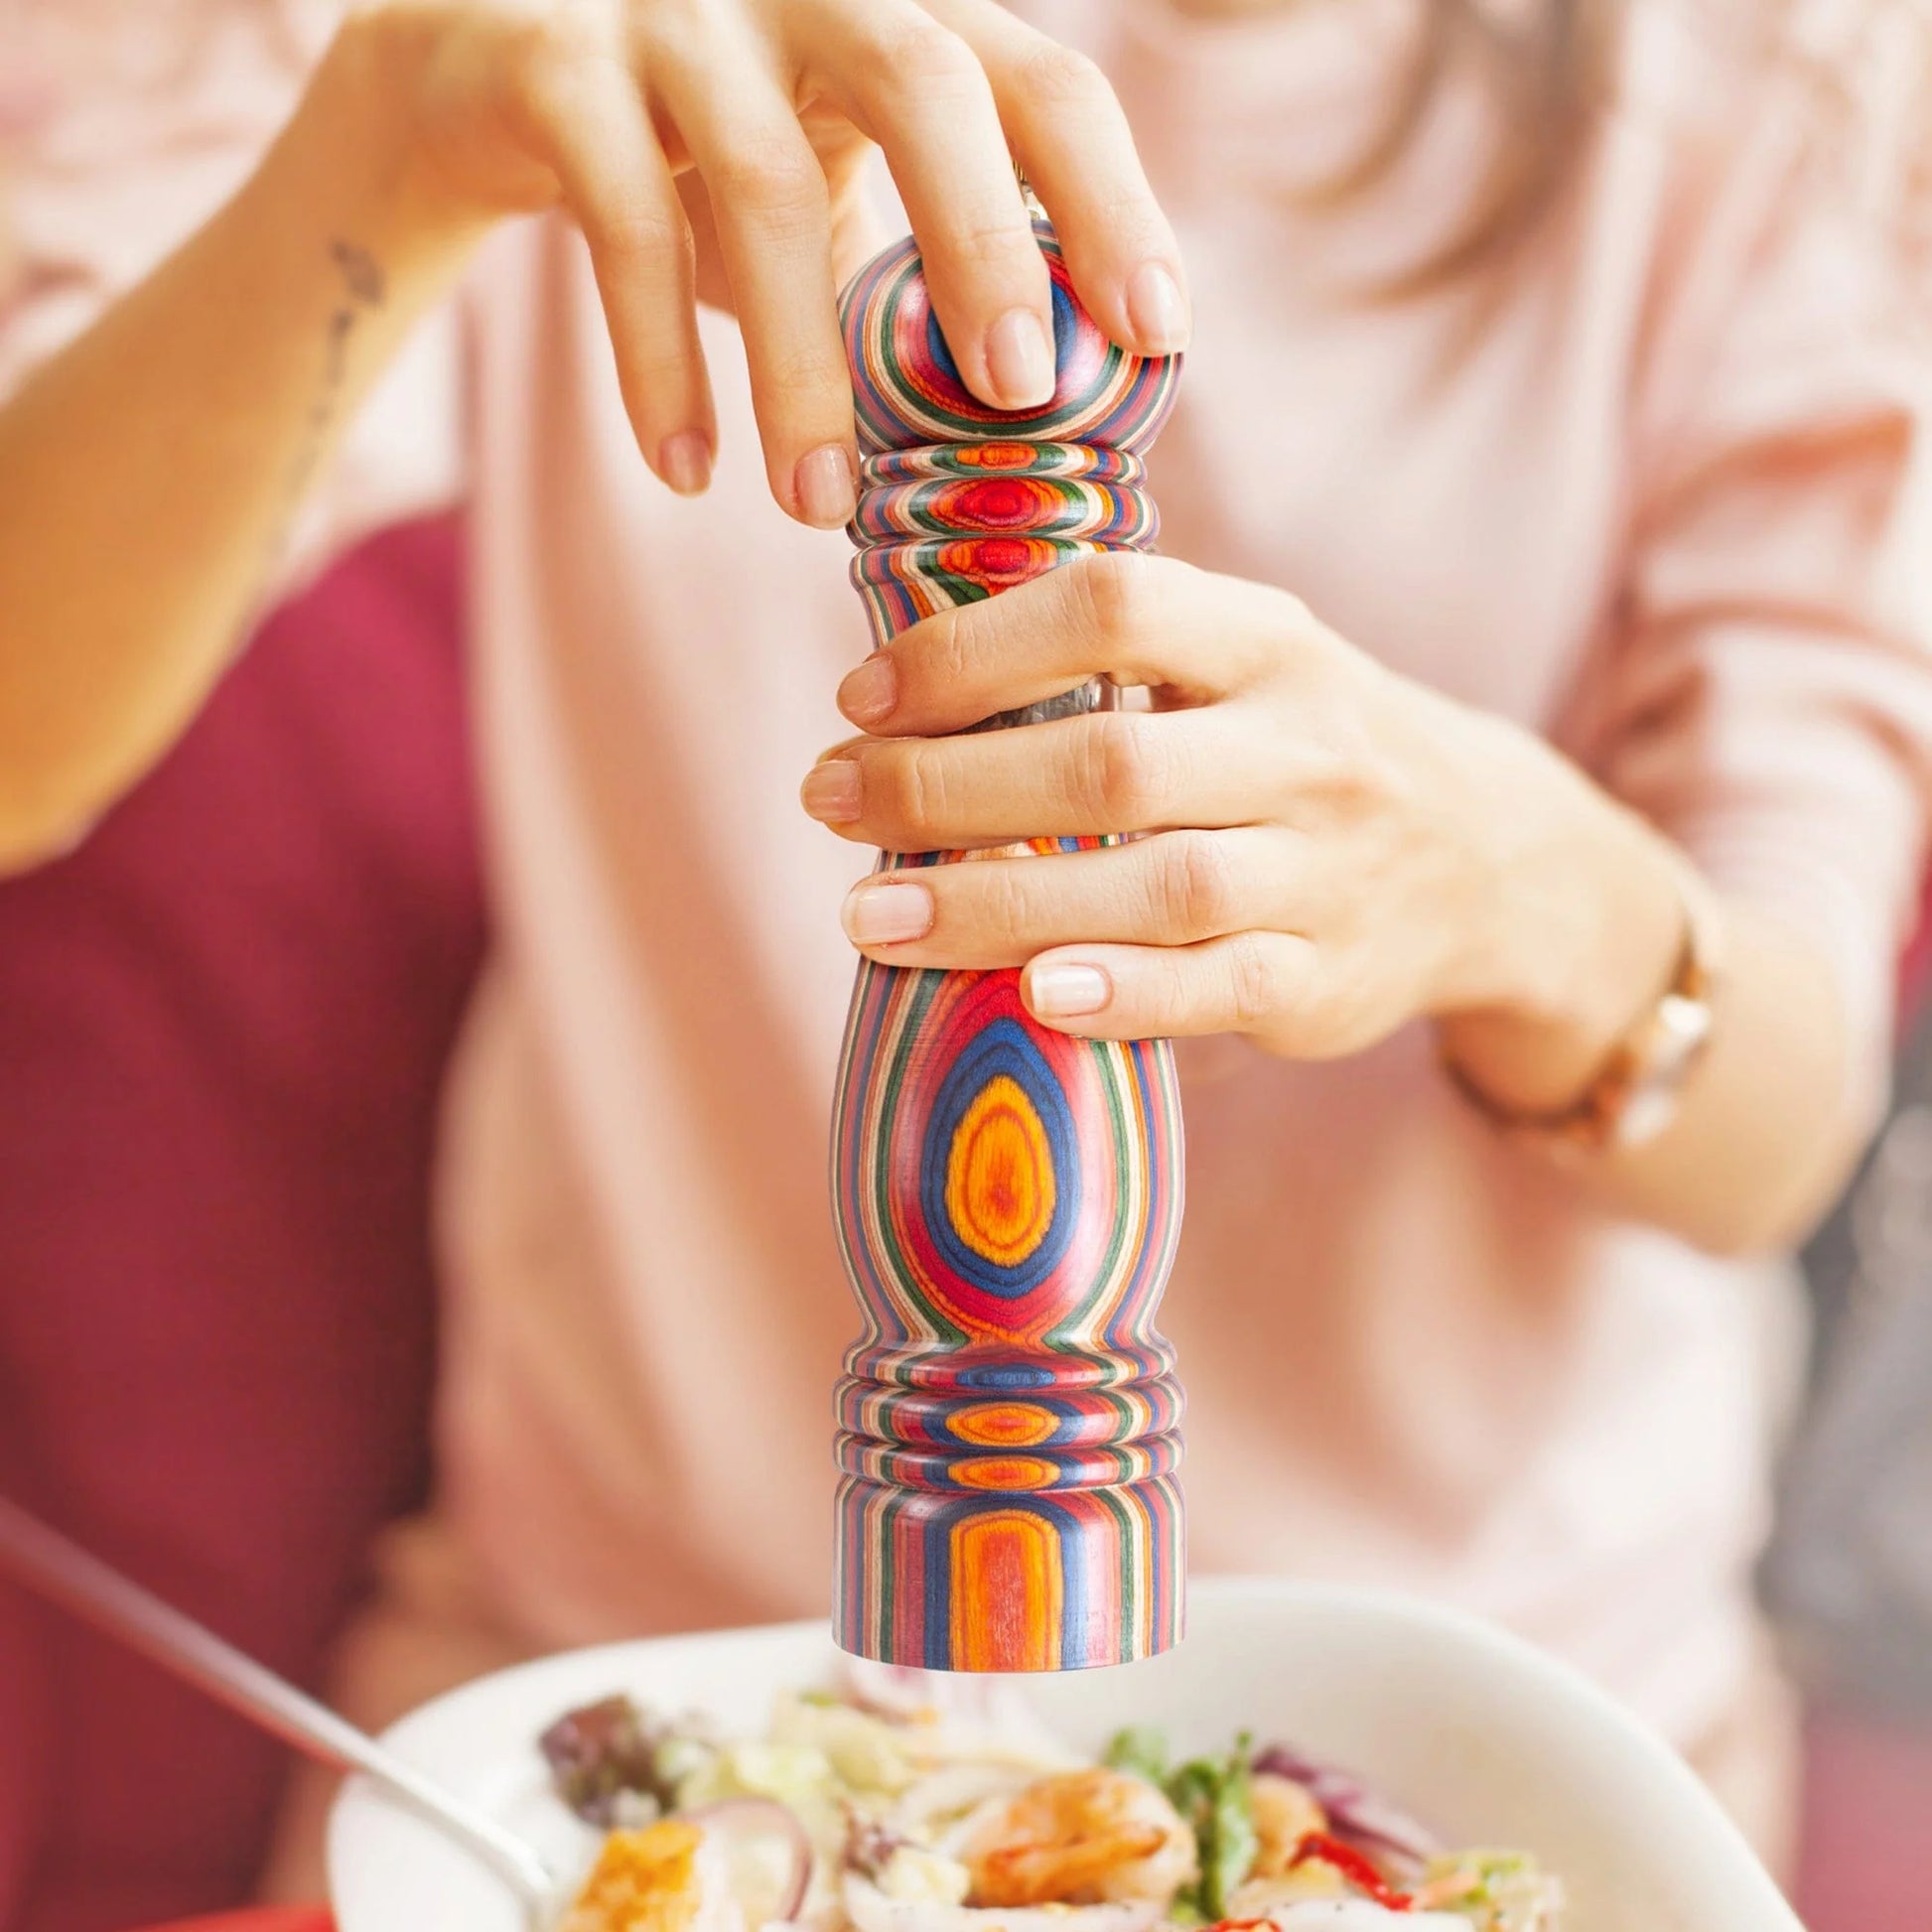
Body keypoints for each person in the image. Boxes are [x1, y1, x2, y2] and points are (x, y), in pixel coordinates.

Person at [4, 0, 1929, 1891]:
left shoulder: (1765, 78)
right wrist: (381, 154)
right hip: (603, 1726)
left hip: (1472, 1743)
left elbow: (1780, 1120)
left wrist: (1517, 885)